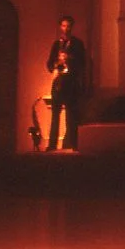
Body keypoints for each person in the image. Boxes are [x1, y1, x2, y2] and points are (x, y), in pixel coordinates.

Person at [45, 15, 86, 151]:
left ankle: (72, 144)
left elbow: (82, 63)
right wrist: (55, 66)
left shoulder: (78, 44)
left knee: (71, 116)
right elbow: (49, 63)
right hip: (58, 82)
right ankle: (52, 145)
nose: (66, 29)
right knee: (55, 116)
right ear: (60, 27)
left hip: (71, 83)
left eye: (68, 26)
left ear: (71, 27)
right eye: (63, 26)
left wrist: (69, 58)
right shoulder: (56, 44)